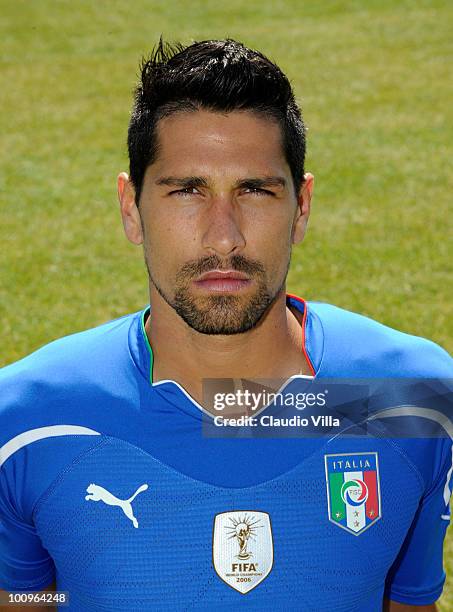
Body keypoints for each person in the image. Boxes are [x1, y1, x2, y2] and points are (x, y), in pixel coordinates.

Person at [0, 38, 452, 612]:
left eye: (255, 190)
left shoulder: (411, 400)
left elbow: (408, 602)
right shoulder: (25, 422)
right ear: (131, 209)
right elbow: (27, 600)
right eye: (187, 190)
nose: (224, 237)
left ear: (302, 208)